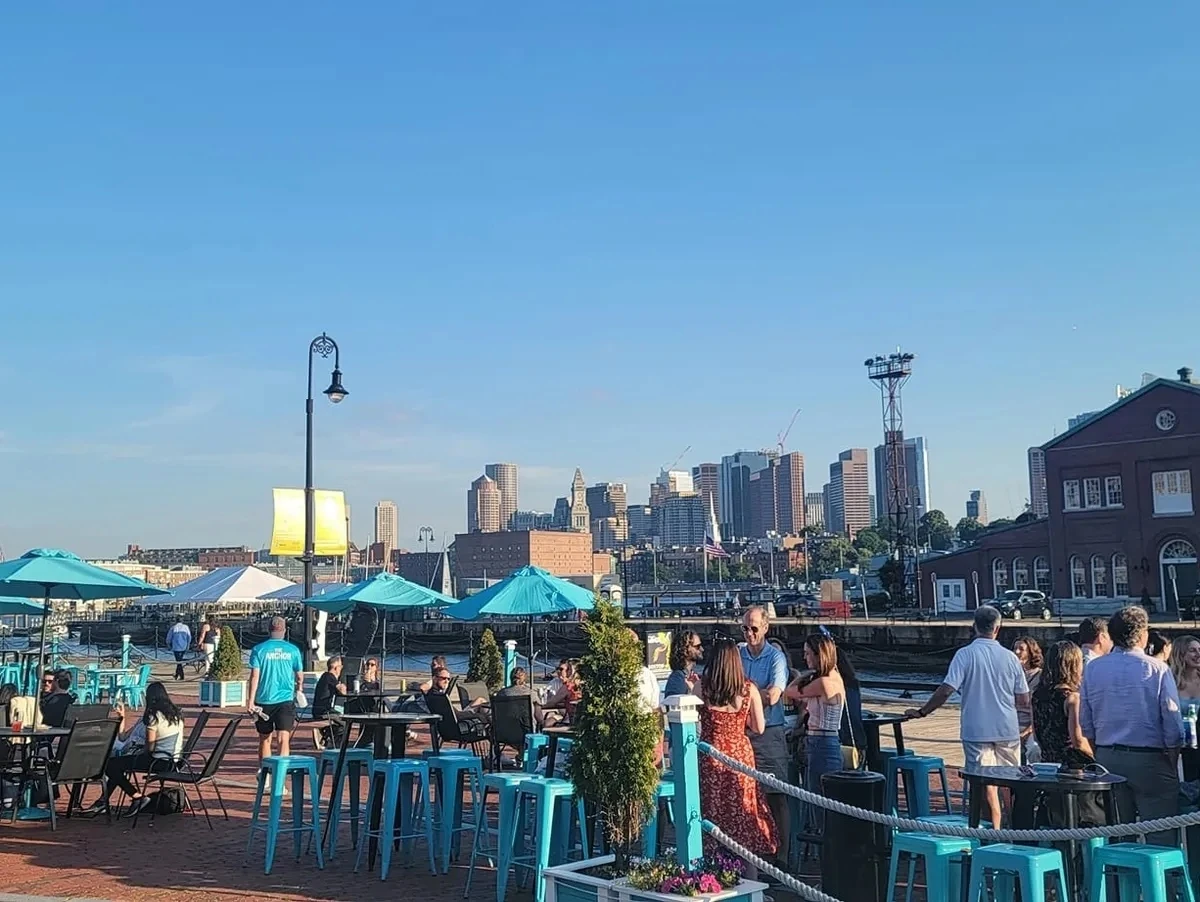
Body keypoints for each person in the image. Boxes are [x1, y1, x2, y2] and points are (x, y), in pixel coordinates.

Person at [906, 605, 1029, 829]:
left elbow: (946, 690)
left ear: (974, 626)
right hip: (1007, 729)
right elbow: (1023, 699)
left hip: (976, 729)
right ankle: (1014, 828)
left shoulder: (965, 654)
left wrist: (923, 711)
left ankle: (992, 831)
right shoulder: (1010, 658)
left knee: (984, 784)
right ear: (997, 628)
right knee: (1010, 782)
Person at [1080, 605, 1182, 845]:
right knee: (1161, 833)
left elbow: (1086, 722)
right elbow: (1172, 723)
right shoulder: (1157, 668)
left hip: (1107, 757)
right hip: (1150, 758)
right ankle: (1160, 870)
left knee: (1118, 834)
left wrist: (1100, 751)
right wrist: (1172, 757)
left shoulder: (1093, 668)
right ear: (1142, 634)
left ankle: (1121, 870)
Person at [699, 638, 777, 870]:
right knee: (744, 812)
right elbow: (759, 728)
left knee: (713, 811)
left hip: (711, 754)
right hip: (740, 755)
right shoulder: (748, 689)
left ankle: (713, 872)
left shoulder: (702, 687)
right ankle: (750, 875)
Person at [739, 605, 791, 865]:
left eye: (754, 628)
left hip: (770, 733)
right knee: (746, 794)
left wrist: (745, 693)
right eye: (745, 628)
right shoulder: (738, 654)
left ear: (766, 627)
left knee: (776, 794)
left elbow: (773, 696)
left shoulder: (776, 658)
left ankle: (783, 855)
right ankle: (755, 852)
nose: (749, 633)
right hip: (744, 733)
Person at [1032, 641, 1104, 826]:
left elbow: (1037, 734)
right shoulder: (1072, 698)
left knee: (1057, 818)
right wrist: (1097, 757)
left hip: (1049, 765)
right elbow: (1078, 740)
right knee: (1081, 820)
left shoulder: (1038, 696)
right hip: (1074, 769)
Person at [95, 682, 184, 814]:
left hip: (158, 761)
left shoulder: (154, 717)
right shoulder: (176, 716)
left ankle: (137, 797)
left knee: (111, 765)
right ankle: (103, 801)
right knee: (116, 765)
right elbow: (124, 737)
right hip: (174, 761)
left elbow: (150, 747)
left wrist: (137, 752)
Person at [785, 634, 845, 828]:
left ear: (819, 655)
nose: (805, 658)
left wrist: (803, 674)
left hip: (821, 742)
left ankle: (820, 836)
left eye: (808, 653)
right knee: (818, 798)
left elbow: (790, 691)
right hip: (825, 741)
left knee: (818, 800)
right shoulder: (836, 678)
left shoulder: (823, 682)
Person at [247, 616, 304, 764]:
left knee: (265, 739)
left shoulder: (258, 649)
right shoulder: (293, 650)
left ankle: (265, 772)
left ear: (269, 630)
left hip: (263, 700)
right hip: (285, 699)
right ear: (284, 630)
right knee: (283, 739)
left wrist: (250, 701)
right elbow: (299, 675)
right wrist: (299, 689)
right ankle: (281, 774)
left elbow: (254, 677)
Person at [1013, 636, 1044, 756]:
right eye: (1015, 648)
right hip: (1011, 723)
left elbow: (1039, 710)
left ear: (1031, 653)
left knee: (1034, 749)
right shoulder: (1010, 675)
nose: (1016, 652)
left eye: (1021, 649)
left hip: (1032, 725)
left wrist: (1027, 731)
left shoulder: (1041, 677)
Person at [312, 655, 347, 748]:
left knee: (342, 720)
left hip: (320, 709)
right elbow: (343, 691)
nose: (341, 669)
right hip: (323, 710)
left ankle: (327, 736)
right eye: (340, 666)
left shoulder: (325, 677)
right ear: (336, 667)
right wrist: (342, 683)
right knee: (345, 722)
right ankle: (327, 735)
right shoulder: (329, 676)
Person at [664, 630, 702, 697]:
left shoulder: (691, 675)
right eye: (697, 646)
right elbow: (673, 702)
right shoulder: (677, 679)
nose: (702, 649)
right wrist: (693, 692)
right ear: (685, 649)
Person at [166, 617, 192, 681]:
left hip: (176, 647)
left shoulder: (173, 628)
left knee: (179, 662)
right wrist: (188, 645)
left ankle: (181, 675)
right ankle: (177, 674)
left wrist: (168, 644)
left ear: (176, 621)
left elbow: (169, 637)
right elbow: (189, 637)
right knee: (179, 661)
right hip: (184, 646)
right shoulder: (186, 627)